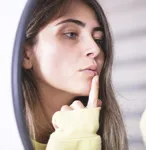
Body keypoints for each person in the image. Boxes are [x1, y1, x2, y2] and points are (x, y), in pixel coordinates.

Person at [22, 0, 129, 149]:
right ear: (25, 55)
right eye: (71, 34)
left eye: (98, 40)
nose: (95, 49)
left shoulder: (101, 132)